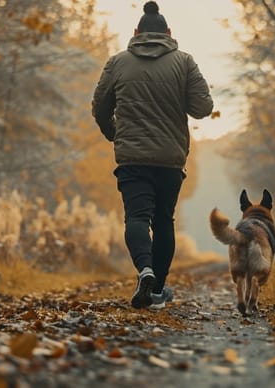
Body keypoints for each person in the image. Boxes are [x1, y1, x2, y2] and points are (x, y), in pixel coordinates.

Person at [92, 1, 213, 309]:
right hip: (170, 159)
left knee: (136, 217)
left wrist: (114, 132)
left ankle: (144, 269)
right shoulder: (184, 62)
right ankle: (157, 290)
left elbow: (100, 108)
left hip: (132, 158)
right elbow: (203, 108)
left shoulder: (117, 62)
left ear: (136, 33)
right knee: (162, 221)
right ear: (169, 33)